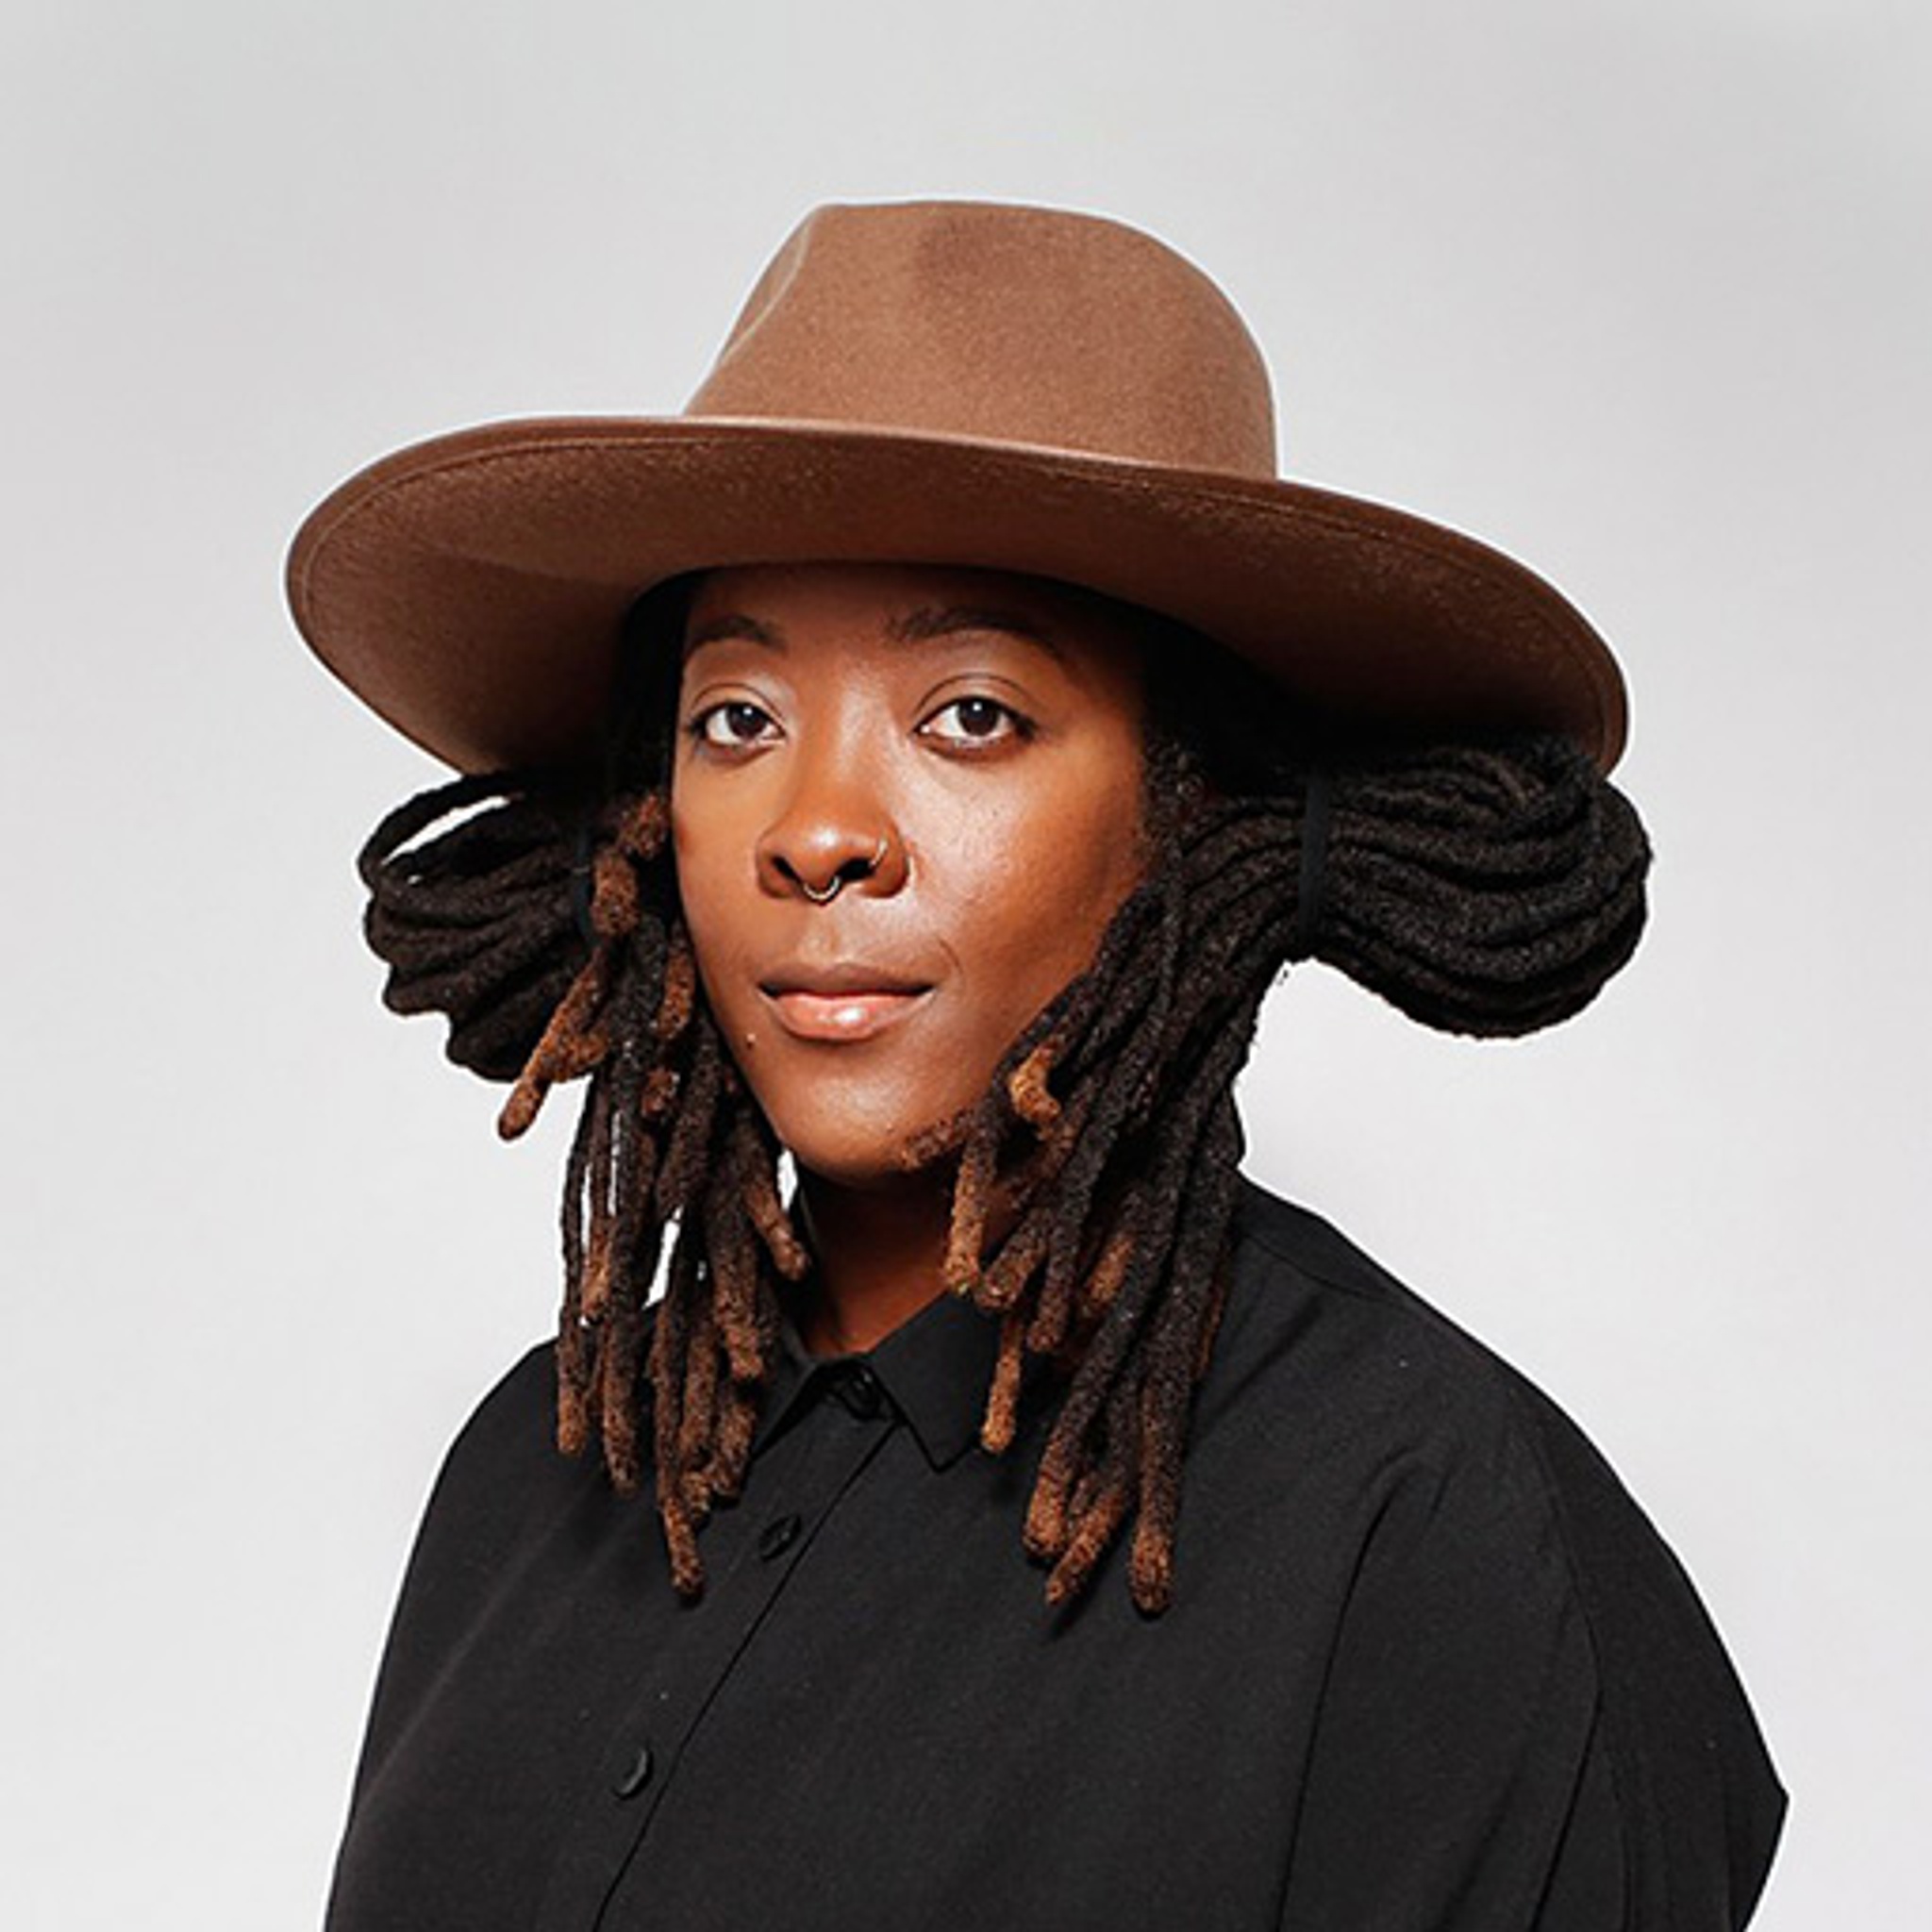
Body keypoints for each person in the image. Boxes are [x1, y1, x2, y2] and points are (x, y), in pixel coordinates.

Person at [288, 200, 1785, 1929]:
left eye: (971, 714)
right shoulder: (527, 1477)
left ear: (1191, 816)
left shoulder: (1440, 1549)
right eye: (737, 722)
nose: (820, 832)